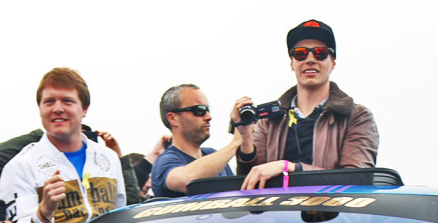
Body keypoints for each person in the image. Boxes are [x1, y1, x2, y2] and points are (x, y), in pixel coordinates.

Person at [0, 67, 125, 223]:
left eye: (67, 101)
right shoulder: (20, 167)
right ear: (40, 109)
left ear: (84, 109)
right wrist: (44, 212)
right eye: (49, 102)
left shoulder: (109, 158)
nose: (57, 109)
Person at [237, 20, 379, 189]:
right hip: (276, 214)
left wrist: (290, 168)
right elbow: (248, 181)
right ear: (292, 63)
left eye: (320, 53)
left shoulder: (357, 116)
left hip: (333, 215)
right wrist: (245, 138)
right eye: (300, 53)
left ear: (333, 62)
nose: (310, 59)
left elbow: (358, 180)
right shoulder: (268, 121)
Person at [149, 84, 240, 199]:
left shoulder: (213, 154)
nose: (208, 116)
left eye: (208, 109)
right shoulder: (166, 161)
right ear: (173, 118)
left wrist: (246, 136)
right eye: (199, 110)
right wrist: (236, 143)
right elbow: (189, 180)